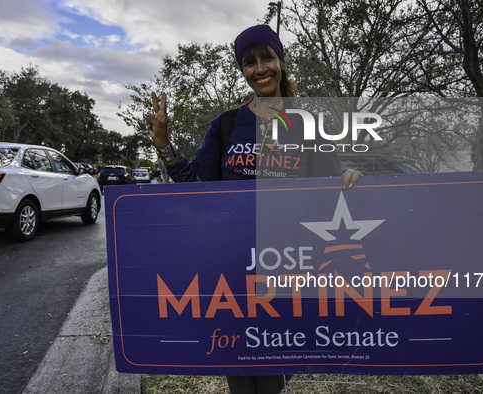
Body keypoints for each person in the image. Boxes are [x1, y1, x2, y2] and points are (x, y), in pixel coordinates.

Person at [144, 24, 361, 394]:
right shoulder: (227, 125)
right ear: (243, 70)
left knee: (275, 376)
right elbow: (198, 190)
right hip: (232, 271)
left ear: (280, 62)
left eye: (267, 58)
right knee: (241, 376)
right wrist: (165, 146)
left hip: (289, 267)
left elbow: (328, 194)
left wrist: (349, 181)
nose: (260, 68)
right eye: (250, 62)